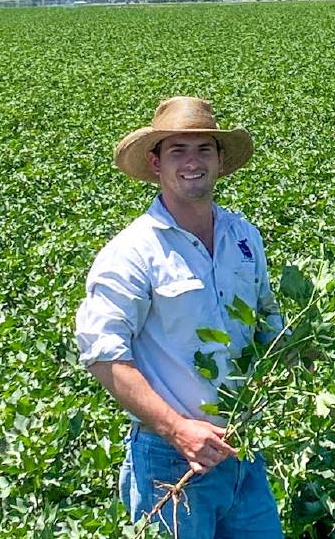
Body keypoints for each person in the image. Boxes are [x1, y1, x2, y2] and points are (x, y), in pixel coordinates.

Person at [75, 96, 286, 537]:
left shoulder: (243, 236)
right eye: (178, 151)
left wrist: (305, 352)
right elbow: (102, 354)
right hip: (170, 461)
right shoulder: (133, 252)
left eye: (204, 149)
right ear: (156, 164)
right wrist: (178, 430)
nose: (193, 162)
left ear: (220, 159)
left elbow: (268, 320)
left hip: (243, 446)